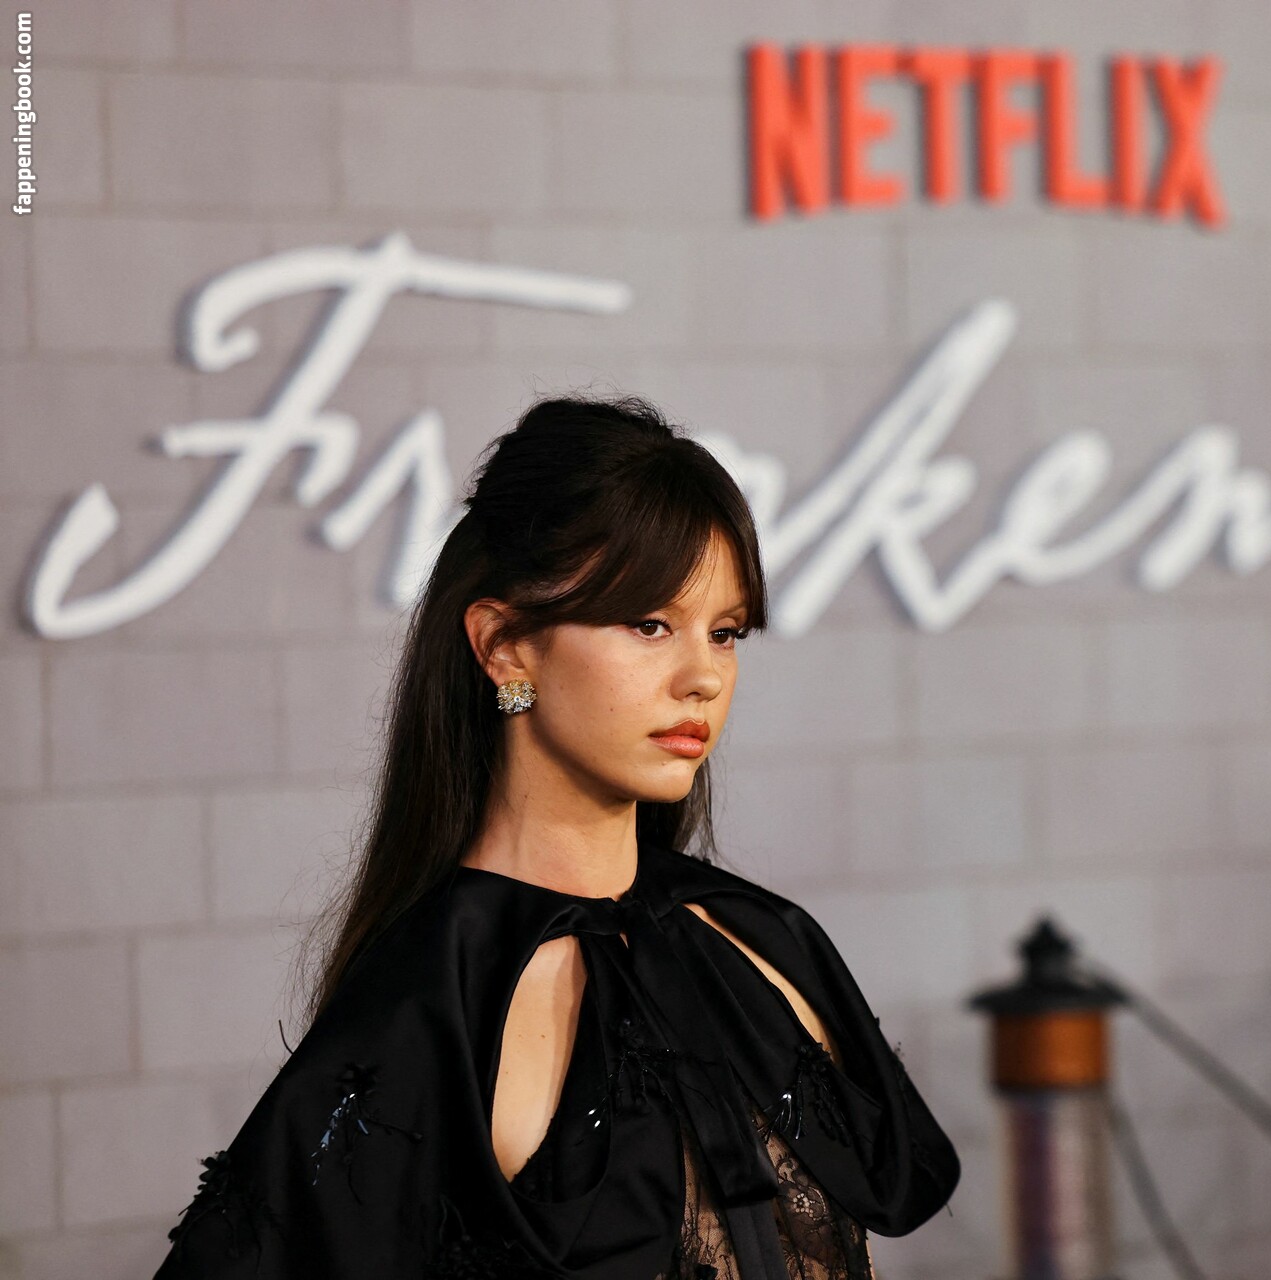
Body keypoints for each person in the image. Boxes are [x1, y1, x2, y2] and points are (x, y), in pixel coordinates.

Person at [154, 395, 961, 1279]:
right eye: (649, 624)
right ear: (504, 644)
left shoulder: (763, 944)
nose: (702, 676)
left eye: (725, 633)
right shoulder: (429, 1004)